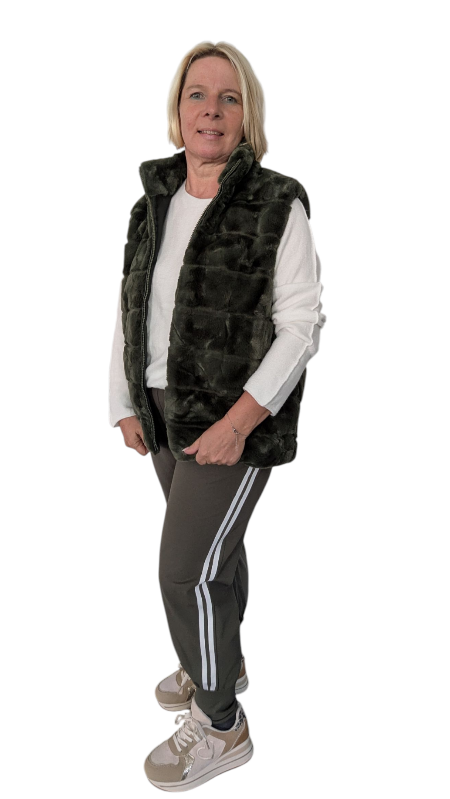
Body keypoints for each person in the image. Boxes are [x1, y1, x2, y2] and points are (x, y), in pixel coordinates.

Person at [109, 40, 326, 791]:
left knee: (184, 572)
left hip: (235, 422)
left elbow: (302, 325)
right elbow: (130, 305)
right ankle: (218, 660)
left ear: (247, 115)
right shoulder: (153, 203)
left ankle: (221, 721)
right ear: (178, 111)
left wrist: (239, 421)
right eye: (197, 95)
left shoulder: (277, 202)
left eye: (228, 98)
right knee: (213, 557)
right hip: (164, 413)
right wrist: (125, 402)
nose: (211, 110)